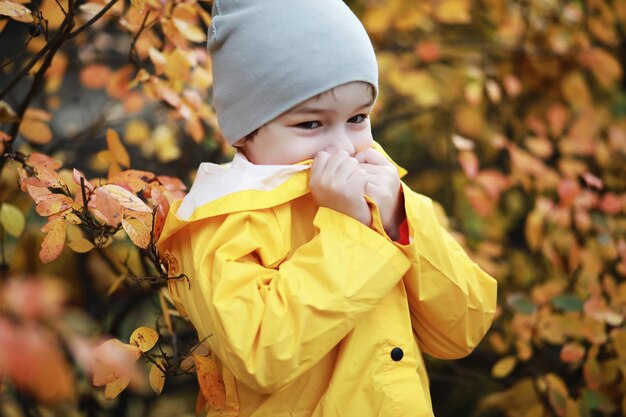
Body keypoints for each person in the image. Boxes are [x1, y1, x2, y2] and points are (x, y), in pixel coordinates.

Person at [157, 0, 498, 416]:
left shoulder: (379, 190)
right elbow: (262, 355)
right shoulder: (216, 221)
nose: (341, 146)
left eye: (357, 118)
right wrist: (346, 229)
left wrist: (400, 221)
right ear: (245, 131)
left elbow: (463, 329)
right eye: (310, 124)